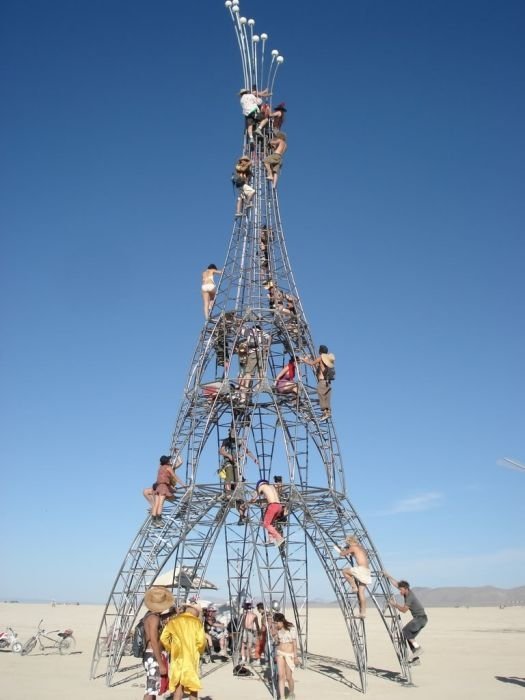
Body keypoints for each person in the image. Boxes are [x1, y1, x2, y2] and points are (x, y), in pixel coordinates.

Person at [160, 601, 206, 700]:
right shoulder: (197, 623)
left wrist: (171, 648)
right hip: (191, 658)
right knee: (193, 686)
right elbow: (202, 642)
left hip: (177, 658)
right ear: (196, 612)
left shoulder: (174, 621)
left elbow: (163, 638)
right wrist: (199, 651)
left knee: (178, 687)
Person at [383, 571, 428, 661]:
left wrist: (394, 604)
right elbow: (397, 584)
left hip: (420, 618)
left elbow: (404, 610)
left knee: (404, 631)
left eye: (401, 590)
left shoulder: (409, 597)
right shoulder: (407, 592)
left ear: (406, 589)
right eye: (399, 589)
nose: (399, 591)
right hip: (421, 619)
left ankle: (418, 649)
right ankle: (416, 659)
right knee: (409, 637)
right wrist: (389, 577)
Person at [142, 586, 175, 700]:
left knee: (154, 689)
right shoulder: (154, 619)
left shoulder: (150, 615)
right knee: (151, 689)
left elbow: (161, 617)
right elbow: (154, 641)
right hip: (153, 655)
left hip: (151, 654)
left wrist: (173, 613)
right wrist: (161, 664)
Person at [336, 535, 371, 618]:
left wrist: (340, 549)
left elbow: (342, 554)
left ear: (349, 542)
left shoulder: (353, 547)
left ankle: (353, 586)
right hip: (367, 571)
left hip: (361, 569)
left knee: (344, 571)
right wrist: (350, 552)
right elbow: (356, 554)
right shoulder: (360, 548)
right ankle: (363, 613)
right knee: (361, 593)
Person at [300, 345, 335, 422]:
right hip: (328, 383)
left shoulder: (321, 357)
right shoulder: (327, 360)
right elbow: (318, 367)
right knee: (327, 398)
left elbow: (312, 363)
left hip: (322, 382)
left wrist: (303, 359)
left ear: (320, 351)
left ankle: (325, 413)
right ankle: (328, 412)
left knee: (321, 397)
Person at [152, 454, 186, 527]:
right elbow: (175, 476)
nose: (170, 460)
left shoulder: (160, 468)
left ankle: (154, 520)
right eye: (169, 460)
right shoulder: (168, 468)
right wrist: (183, 484)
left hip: (158, 486)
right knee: (161, 504)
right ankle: (159, 520)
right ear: (167, 461)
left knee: (156, 504)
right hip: (163, 486)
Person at [249, 479, 285, 547]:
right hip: (279, 506)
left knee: (266, 524)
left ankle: (279, 538)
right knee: (270, 524)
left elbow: (254, 497)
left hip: (272, 506)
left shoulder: (261, 486)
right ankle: (271, 540)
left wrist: (249, 502)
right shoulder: (271, 487)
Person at [272, 613, 299, 700]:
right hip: (280, 653)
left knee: (288, 677)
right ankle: (282, 697)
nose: (276, 625)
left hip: (289, 654)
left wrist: (295, 657)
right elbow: (276, 643)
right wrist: (274, 635)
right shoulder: (277, 629)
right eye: (274, 623)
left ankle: (291, 692)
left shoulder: (291, 628)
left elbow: (294, 643)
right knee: (281, 676)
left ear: (281, 621)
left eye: (276, 623)